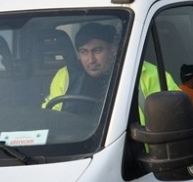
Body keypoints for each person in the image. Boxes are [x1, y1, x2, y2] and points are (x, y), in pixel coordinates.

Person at [43, 22, 176, 117]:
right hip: (76, 146)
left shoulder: (147, 74)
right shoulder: (65, 75)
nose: (91, 60)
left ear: (113, 50)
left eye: (97, 50)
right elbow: (50, 115)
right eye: (84, 52)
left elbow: (176, 113)